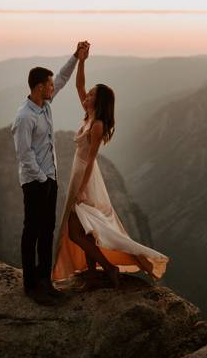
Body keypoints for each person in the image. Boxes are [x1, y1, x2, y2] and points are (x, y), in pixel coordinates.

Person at [51, 43, 169, 288]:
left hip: (85, 175)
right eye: (90, 93)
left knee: (75, 229)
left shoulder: (97, 125)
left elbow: (92, 158)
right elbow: (78, 85)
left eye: (93, 94)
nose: (87, 96)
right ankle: (94, 269)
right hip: (78, 173)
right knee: (85, 228)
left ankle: (108, 267)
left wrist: (81, 189)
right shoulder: (90, 116)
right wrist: (82, 60)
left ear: (100, 101)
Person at [12, 41, 89, 305]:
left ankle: (45, 280)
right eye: (48, 84)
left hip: (49, 179)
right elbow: (23, 155)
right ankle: (30, 284)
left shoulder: (44, 104)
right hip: (35, 182)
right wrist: (42, 179)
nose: (52, 86)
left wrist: (77, 57)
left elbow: (64, 78)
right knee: (31, 231)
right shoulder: (24, 117)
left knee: (47, 230)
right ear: (38, 87)